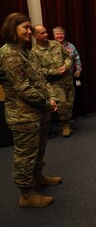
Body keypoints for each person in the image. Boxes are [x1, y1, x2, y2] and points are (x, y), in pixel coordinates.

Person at [0, 13, 61, 208]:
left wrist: (51, 97)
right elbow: (24, 88)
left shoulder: (23, 51)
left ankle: (37, 178)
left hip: (38, 111)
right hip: (23, 116)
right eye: (25, 27)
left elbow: (40, 78)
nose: (29, 31)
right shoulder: (9, 54)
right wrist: (47, 103)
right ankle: (26, 194)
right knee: (25, 156)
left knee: (38, 149)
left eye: (29, 27)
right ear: (12, 29)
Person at [29, 24, 74, 137]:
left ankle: (67, 121)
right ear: (35, 36)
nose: (46, 34)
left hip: (68, 79)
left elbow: (68, 57)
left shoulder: (56, 44)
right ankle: (64, 125)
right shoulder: (34, 52)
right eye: (42, 33)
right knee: (62, 103)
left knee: (69, 102)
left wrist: (66, 66)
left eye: (46, 32)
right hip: (54, 82)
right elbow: (38, 71)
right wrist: (56, 71)